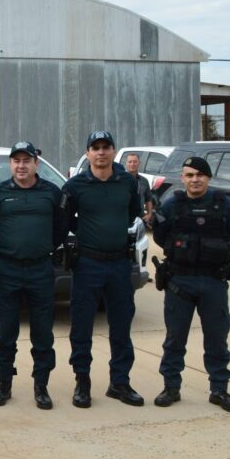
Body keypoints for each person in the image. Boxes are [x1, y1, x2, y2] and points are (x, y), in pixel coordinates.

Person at [153, 157, 230, 413]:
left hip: (213, 281)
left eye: (200, 175)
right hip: (180, 281)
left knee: (217, 338)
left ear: (208, 178)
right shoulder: (173, 204)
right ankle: (171, 387)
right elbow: (160, 235)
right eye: (189, 175)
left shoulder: (224, 204)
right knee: (175, 338)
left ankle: (219, 389)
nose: (195, 179)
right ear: (182, 178)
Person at [0, 141, 67, 409]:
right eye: (16, 161)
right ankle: (4, 384)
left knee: (43, 333)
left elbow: (61, 228)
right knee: (6, 332)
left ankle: (41, 386)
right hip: (8, 270)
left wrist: (43, 248)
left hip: (41, 270)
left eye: (26, 160)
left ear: (36, 163)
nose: (21, 166)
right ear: (10, 164)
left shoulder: (52, 193)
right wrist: (2, 246)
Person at [62, 131, 143, 408]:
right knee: (82, 324)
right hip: (88, 263)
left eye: (106, 147)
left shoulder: (126, 183)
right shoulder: (75, 186)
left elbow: (132, 213)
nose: (101, 152)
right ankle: (82, 381)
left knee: (121, 324)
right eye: (95, 148)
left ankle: (119, 382)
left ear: (113, 150)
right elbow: (66, 219)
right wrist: (88, 232)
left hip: (119, 264)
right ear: (87, 153)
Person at [124, 153, 155, 224]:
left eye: (135, 162)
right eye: (130, 162)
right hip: (123, 218)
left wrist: (149, 214)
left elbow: (148, 199)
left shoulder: (144, 180)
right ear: (126, 163)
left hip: (139, 219)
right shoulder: (120, 180)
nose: (132, 164)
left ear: (139, 163)